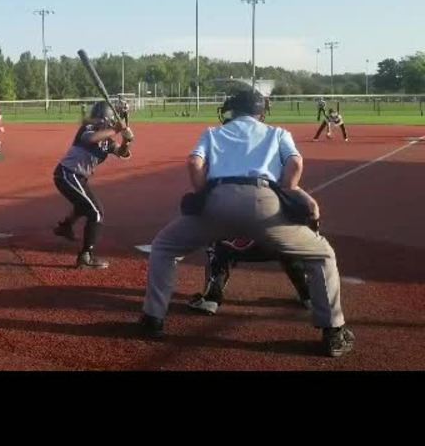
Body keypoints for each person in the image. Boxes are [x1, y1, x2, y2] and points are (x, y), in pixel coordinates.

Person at [140, 89, 355, 358]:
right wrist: (291, 188)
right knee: (322, 255)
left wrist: (202, 192)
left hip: (217, 201)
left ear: (234, 110)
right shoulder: (278, 133)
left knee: (164, 247)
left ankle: (152, 319)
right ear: (261, 112)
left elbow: (194, 162)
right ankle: (333, 332)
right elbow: (295, 162)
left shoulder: (213, 133)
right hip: (265, 203)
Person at [53, 101, 134, 269]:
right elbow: (91, 139)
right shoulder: (88, 129)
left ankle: (65, 227)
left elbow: (122, 153)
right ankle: (86, 256)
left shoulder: (107, 140)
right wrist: (117, 130)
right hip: (68, 174)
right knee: (96, 212)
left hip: (77, 177)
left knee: (84, 205)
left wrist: (126, 141)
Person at [186, 238, 312, 315]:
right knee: (291, 241)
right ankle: (308, 296)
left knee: (216, 243)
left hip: (237, 246)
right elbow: (311, 208)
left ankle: (211, 299)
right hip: (277, 244)